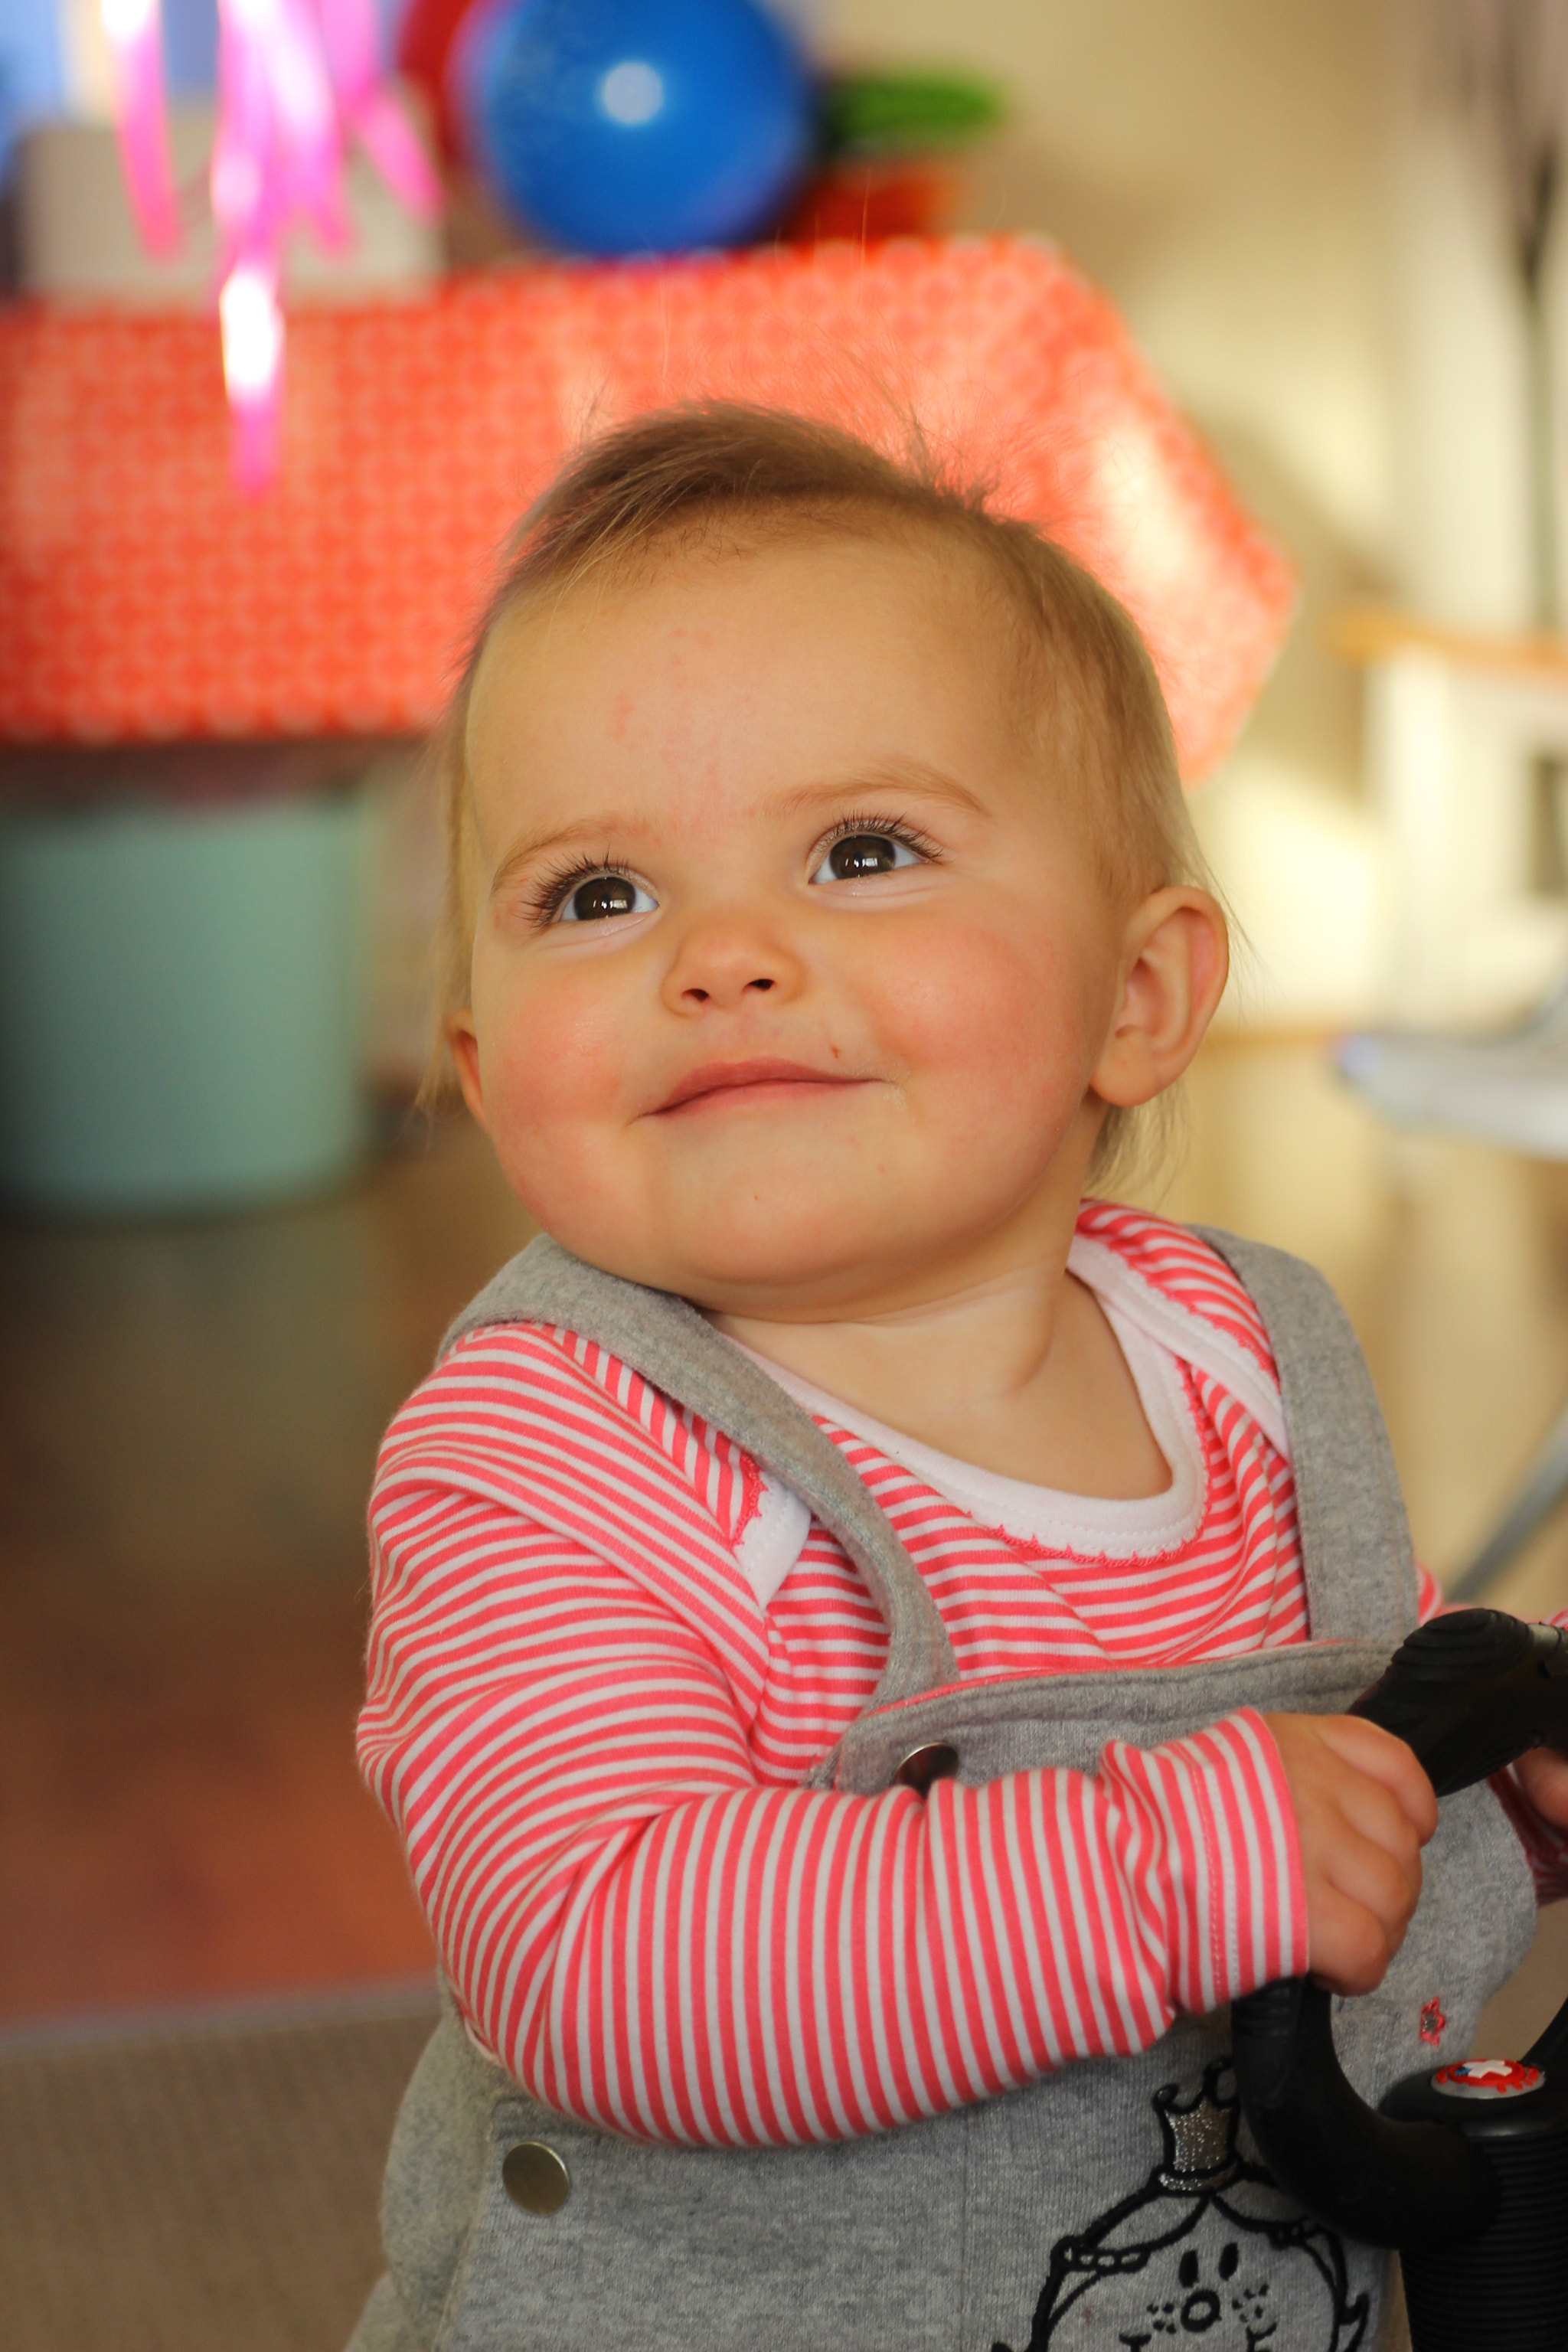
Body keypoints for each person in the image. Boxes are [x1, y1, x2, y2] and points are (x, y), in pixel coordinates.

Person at [350, 405, 1568, 2352]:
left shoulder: (1241, 1358)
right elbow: (597, 1961)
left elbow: (1352, 1758)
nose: (724, 955)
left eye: (860, 851)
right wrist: (1167, 1871)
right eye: (598, 896)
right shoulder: (555, 1451)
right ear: (488, 1068)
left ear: (1137, 997)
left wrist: (1502, 1781)